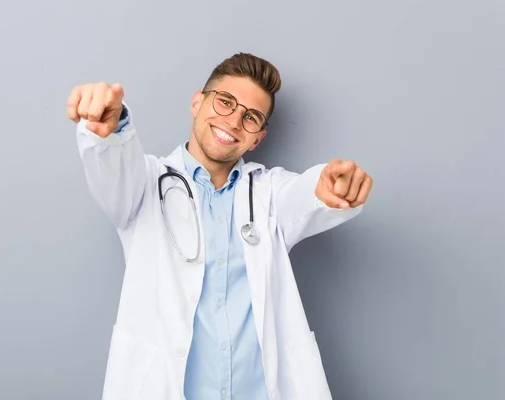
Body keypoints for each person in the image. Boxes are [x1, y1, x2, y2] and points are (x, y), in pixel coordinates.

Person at [66, 52, 373, 400]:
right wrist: (112, 128)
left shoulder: (268, 192)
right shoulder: (144, 185)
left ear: (257, 137)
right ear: (198, 102)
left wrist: (331, 186)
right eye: (225, 102)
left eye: (251, 117)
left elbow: (308, 193)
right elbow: (114, 163)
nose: (234, 121)